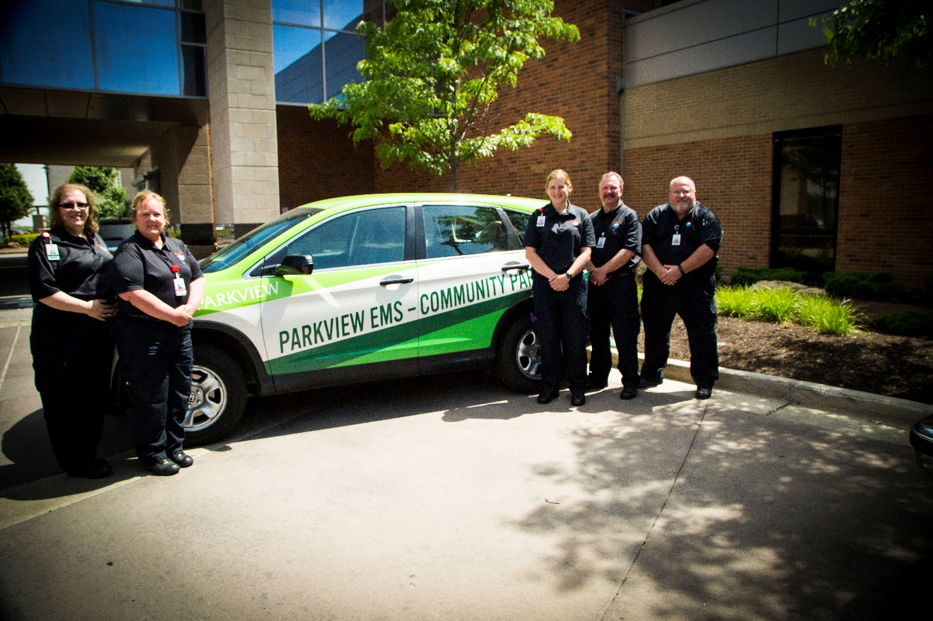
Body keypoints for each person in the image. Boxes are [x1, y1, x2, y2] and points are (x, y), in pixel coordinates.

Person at [26, 183, 117, 479]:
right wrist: (88, 307)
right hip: (60, 341)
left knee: (94, 399)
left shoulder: (94, 238)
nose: (76, 210)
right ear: (57, 210)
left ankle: (88, 454)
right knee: (64, 404)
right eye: (68, 205)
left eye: (81, 204)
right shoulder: (46, 243)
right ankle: (75, 463)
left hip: (97, 339)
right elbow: (44, 291)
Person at [111, 191, 204, 476]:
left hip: (179, 332)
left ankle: (175, 447)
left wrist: (189, 307)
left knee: (179, 393)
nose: (152, 219)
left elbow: (197, 277)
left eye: (157, 214)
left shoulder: (176, 245)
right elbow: (132, 293)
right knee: (152, 397)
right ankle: (153, 453)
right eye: (145, 214)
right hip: (145, 336)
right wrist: (171, 315)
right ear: (135, 218)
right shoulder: (130, 251)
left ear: (165, 218)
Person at [639, 176, 723, 399]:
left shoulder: (706, 218)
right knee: (655, 332)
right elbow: (644, 243)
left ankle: (705, 381)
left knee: (702, 334)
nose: (681, 196)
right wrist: (659, 271)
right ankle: (652, 373)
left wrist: (679, 270)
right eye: (676, 192)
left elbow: (710, 247)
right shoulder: (656, 216)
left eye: (686, 191)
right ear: (669, 195)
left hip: (695, 287)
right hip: (659, 285)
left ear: (694, 193)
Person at [523, 169, 595, 407]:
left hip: (573, 286)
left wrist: (568, 275)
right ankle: (550, 386)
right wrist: (554, 277)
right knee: (549, 338)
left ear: (569, 188)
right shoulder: (539, 215)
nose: (557, 191)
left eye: (561, 187)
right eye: (552, 188)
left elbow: (587, 251)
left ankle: (577, 388)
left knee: (575, 339)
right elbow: (530, 253)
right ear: (547, 190)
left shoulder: (581, 215)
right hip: (546, 286)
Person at [585, 172, 642, 400]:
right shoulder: (592, 219)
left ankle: (629, 381)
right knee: (598, 334)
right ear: (599, 191)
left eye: (613, 188)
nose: (609, 192)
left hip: (621, 284)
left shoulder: (630, 217)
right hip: (596, 285)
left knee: (625, 335)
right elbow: (583, 250)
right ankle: (598, 377)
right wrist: (592, 271)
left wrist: (603, 271)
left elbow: (629, 250)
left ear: (621, 190)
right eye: (605, 188)